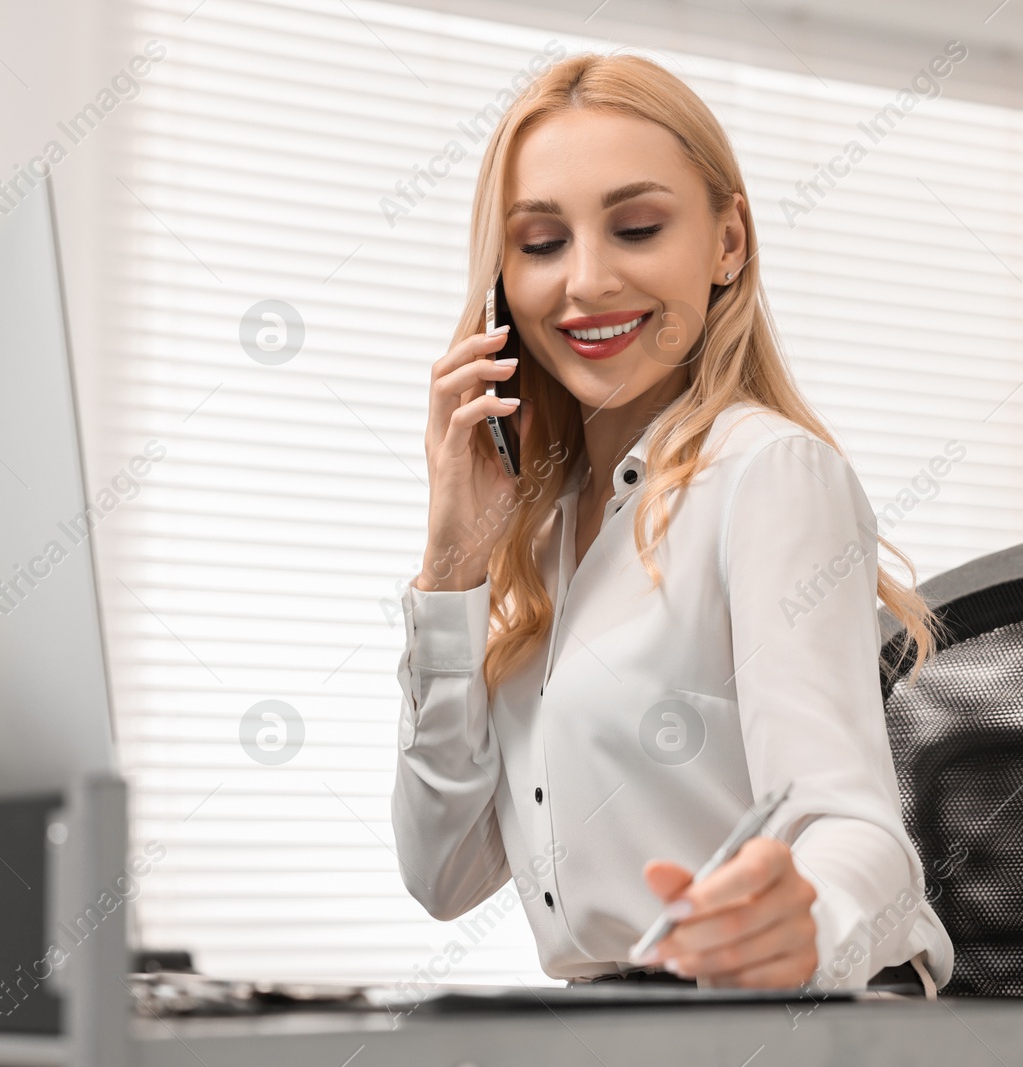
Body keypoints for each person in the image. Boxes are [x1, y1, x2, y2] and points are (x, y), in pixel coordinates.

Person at [389, 49, 953, 993]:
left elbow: (854, 827)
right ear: (499, 287)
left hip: (794, 1018)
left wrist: (802, 919)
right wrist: (453, 568)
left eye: (638, 227)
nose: (587, 281)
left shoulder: (767, 475)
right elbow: (442, 874)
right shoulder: (540, 532)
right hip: (625, 1029)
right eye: (539, 244)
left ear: (727, 241)